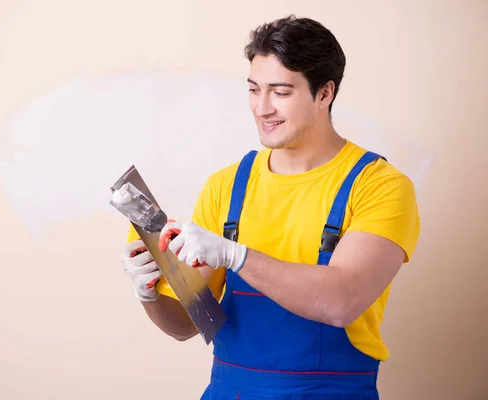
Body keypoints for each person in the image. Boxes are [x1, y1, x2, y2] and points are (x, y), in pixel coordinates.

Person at [120, 14, 420, 399]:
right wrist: (148, 291)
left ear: (324, 93)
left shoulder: (379, 186)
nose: (262, 108)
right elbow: (186, 325)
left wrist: (236, 255)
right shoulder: (226, 186)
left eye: (280, 92)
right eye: (253, 89)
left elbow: (342, 302)